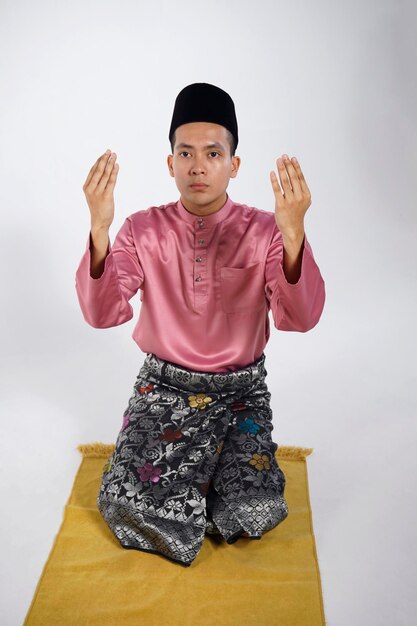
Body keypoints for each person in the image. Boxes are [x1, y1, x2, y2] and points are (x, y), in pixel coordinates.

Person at [75, 82, 326, 567]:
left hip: (240, 393)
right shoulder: (141, 230)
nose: (197, 166)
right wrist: (99, 229)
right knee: (126, 502)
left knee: (253, 508)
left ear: (234, 164)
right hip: (163, 390)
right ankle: (194, 480)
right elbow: (102, 312)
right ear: (170, 163)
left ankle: (206, 478)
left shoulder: (265, 230)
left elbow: (301, 317)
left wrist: (293, 236)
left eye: (213, 153)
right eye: (185, 153)